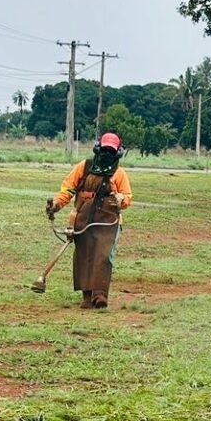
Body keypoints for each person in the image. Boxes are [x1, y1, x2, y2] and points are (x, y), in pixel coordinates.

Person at [46, 132, 133, 309]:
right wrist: (56, 204)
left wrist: (120, 199)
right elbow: (67, 190)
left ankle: (100, 295)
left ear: (117, 153)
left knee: (103, 257)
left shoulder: (119, 173)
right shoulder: (84, 167)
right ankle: (87, 296)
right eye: (104, 150)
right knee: (84, 256)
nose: (107, 154)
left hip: (108, 222)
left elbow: (127, 197)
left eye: (111, 151)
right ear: (97, 148)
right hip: (83, 218)